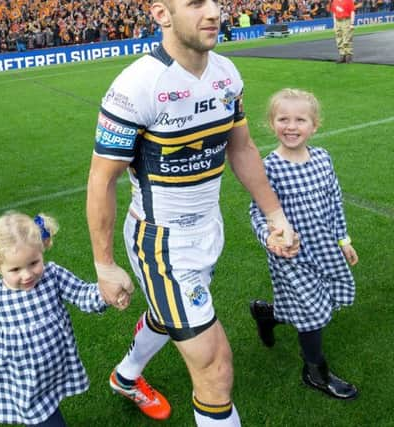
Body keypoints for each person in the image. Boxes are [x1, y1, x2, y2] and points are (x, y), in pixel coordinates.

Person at [86, 0, 299, 424]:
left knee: (168, 317)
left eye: (216, 2)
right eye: (196, 3)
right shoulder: (136, 86)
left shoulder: (226, 74)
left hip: (208, 230)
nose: (214, 12)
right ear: (162, 14)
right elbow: (101, 179)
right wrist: (104, 265)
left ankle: (125, 377)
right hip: (160, 242)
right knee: (216, 367)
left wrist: (276, 216)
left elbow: (241, 148)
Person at [0, 212, 109, 426]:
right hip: (24, 379)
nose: (27, 275)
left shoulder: (52, 276)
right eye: (15, 269)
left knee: (51, 406)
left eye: (34, 263)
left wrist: (105, 293)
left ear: (42, 251)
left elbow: (82, 294)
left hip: (56, 368)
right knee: (43, 419)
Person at [249, 88, 358, 400]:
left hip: (324, 248)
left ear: (315, 125)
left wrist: (343, 239)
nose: (291, 126)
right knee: (312, 311)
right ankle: (315, 370)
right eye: (283, 119)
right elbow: (258, 212)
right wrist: (269, 238)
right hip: (290, 256)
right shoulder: (269, 167)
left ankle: (266, 314)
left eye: (301, 119)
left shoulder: (323, 159)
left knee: (314, 302)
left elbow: (335, 202)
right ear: (272, 123)